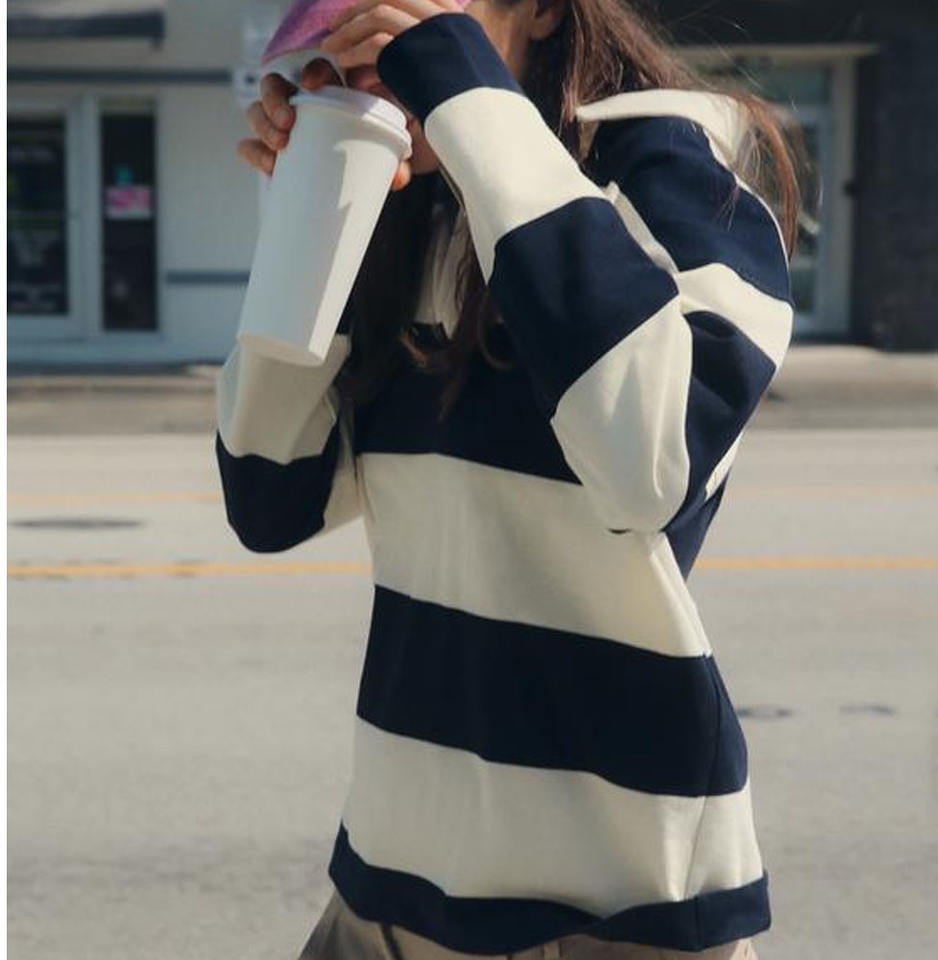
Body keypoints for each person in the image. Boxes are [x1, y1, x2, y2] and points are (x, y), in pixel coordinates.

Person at [219, 0, 800, 956]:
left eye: (397, 21)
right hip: (395, 881)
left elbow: (653, 460)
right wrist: (311, 212)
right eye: (338, 44)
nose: (370, 66)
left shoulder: (676, 174)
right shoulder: (413, 211)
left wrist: (465, 97)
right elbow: (267, 499)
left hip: (618, 906)